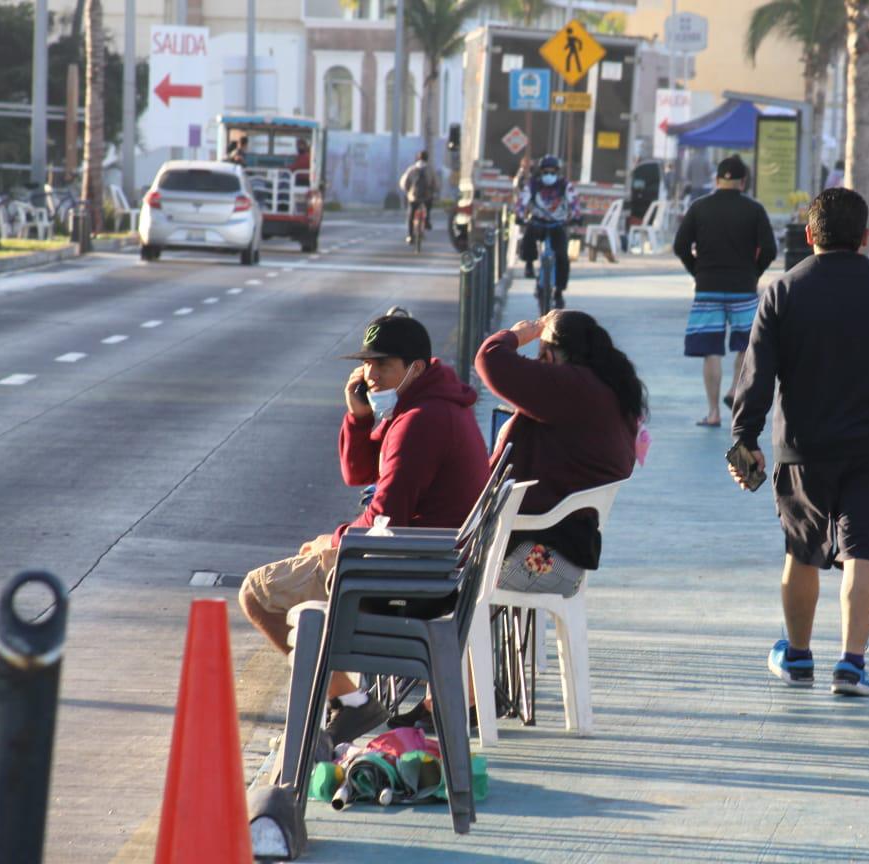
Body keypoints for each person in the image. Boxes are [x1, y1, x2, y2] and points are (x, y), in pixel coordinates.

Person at [237, 313, 491, 741]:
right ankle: (350, 701)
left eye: (383, 365)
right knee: (310, 558)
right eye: (366, 365)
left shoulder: (420, 421)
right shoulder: (428, 405)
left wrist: (331, 542)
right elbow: (360, 474)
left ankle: (352, 703)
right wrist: (357, 417)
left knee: (257, 593)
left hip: (412, 576)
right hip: (431, 564)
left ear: (417, 367)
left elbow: (385, 518)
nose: (371, 376)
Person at [730, 187, 869, 698]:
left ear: (808, 236)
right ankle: (851, 663)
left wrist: (744, 438)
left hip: (802, 449)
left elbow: (756, 372)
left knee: (801, 551)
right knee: (863, 553)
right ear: (866, 237)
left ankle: (798, 657)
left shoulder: (784, 291)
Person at [475, 310, 644, 594]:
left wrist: (521, 334)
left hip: (542, 552)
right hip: (568, 549)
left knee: (449, 578)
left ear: (551, 356)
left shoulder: (572, 387)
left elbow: (489, 358)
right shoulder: (607, 389)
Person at [672, 154, 777, 427]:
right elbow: (770, 249)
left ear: (717, 179)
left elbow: (680, 246)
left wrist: (697, 270)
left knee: (711, 351)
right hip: (743, 288)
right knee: (746, 345)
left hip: (708, 288)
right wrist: (754, 273)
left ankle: (713, 413)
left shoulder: (699, 208)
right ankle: (734, 390)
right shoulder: (754, 210)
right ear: (743, 182)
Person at [518, 154, 582, 309]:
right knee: (528, 235)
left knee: (562, 258)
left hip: (557, 225)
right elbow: (522, 201)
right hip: (538, 223)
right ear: (540, 172)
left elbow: (574, 202)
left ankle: (559, 292)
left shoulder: (565, 186)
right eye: (546, 171)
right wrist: (519, 216)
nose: (549, 175)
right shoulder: (533, 185)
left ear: (557, 172)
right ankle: (528, 264)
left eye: (552, 172)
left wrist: (576, 217)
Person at [399, 150, 438, 242]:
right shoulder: (430, 169)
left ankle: (410, 235)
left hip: (414, 196)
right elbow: (436, 184)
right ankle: (427, 220)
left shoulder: (411, 169)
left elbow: (404, 183)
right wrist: (433, 191)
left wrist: (408, 191)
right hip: (426, 196)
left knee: (411, 214)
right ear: (427, 158)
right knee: (428, 205)